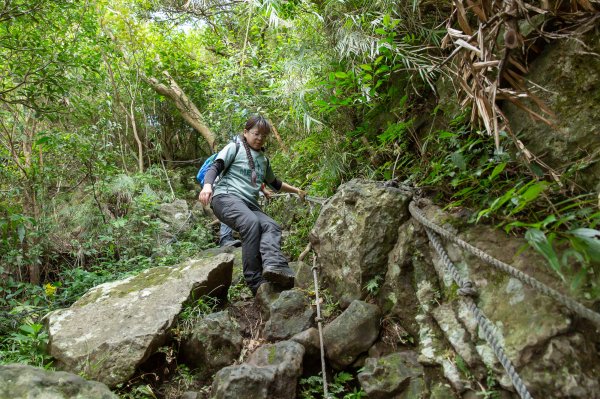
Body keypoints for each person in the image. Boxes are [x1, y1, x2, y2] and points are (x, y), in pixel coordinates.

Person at [199, 115, 305, 294]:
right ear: (246, 132)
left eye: (264, 135)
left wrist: (297, 190)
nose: (260, 138)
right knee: (250, 223)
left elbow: (275, 183)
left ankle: (273, 266)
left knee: (271, 225)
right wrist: (207, 186)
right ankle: (255, 281)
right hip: (225, 198)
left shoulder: (263, 160)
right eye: (256, 134)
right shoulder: (235, 147)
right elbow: (216, 166)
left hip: (249, 205)